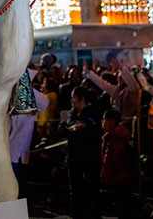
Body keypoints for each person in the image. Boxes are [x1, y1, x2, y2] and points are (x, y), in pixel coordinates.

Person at [60, 86, 102, 219]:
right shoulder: (71, 114)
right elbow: (68, 130)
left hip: (89, 156)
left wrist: (86, 128)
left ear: (81, 99)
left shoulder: (93, 112)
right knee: (75, 188)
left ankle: (94, 214)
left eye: (74, 98)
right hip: (73, 156)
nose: (72, 101)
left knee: (92, 188)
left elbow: (96, 131)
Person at [101, 108, 137, 219]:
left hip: (120, 177)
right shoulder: (110, 136)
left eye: (104, 120)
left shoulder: (117, 138)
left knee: (124, 206)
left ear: (111, 121)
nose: (102, 122)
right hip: (118, 177)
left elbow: (113, 159)